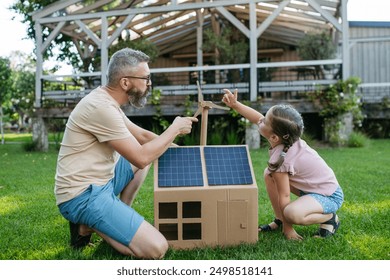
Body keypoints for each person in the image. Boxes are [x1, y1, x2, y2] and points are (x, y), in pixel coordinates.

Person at [54, 48, 198, 259]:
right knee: (156, 248)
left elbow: (142, 135)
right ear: (125, 83)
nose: (149, 84)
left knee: (147, 157)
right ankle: (85, 227)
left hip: (102, 182)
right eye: (146, 78)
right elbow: (140, 156)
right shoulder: (100, 107)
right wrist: (174, 128)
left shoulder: (108, 102)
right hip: (82, 195)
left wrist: (186, 153)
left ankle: (117, 214)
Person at [221, 89, 344, 240]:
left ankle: (329, 218)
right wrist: (235, 105)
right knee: (269, 174)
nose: (261, 120)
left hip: (329, 196)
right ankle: (280, 219)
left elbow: (284, 197)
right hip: (312, 190)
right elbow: (257, 118)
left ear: (273, 137)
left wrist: (289, 230)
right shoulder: (284, 139)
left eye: (266, 120)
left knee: (292, 214)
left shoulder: (282, 158)